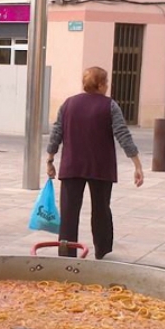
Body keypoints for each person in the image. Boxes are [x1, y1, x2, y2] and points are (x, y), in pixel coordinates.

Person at [46, 66, 144, 259]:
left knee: (69, 212)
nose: (107, 86)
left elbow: (56, 133)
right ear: (100, 84)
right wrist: (137, 164)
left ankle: (67, 254)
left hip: (72, 165)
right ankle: (102, 251)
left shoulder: (68, 104)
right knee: (101, 210)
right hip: (101, 167)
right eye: (106, 82)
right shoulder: (110, 106)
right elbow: (123, 134)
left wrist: (50, 159)